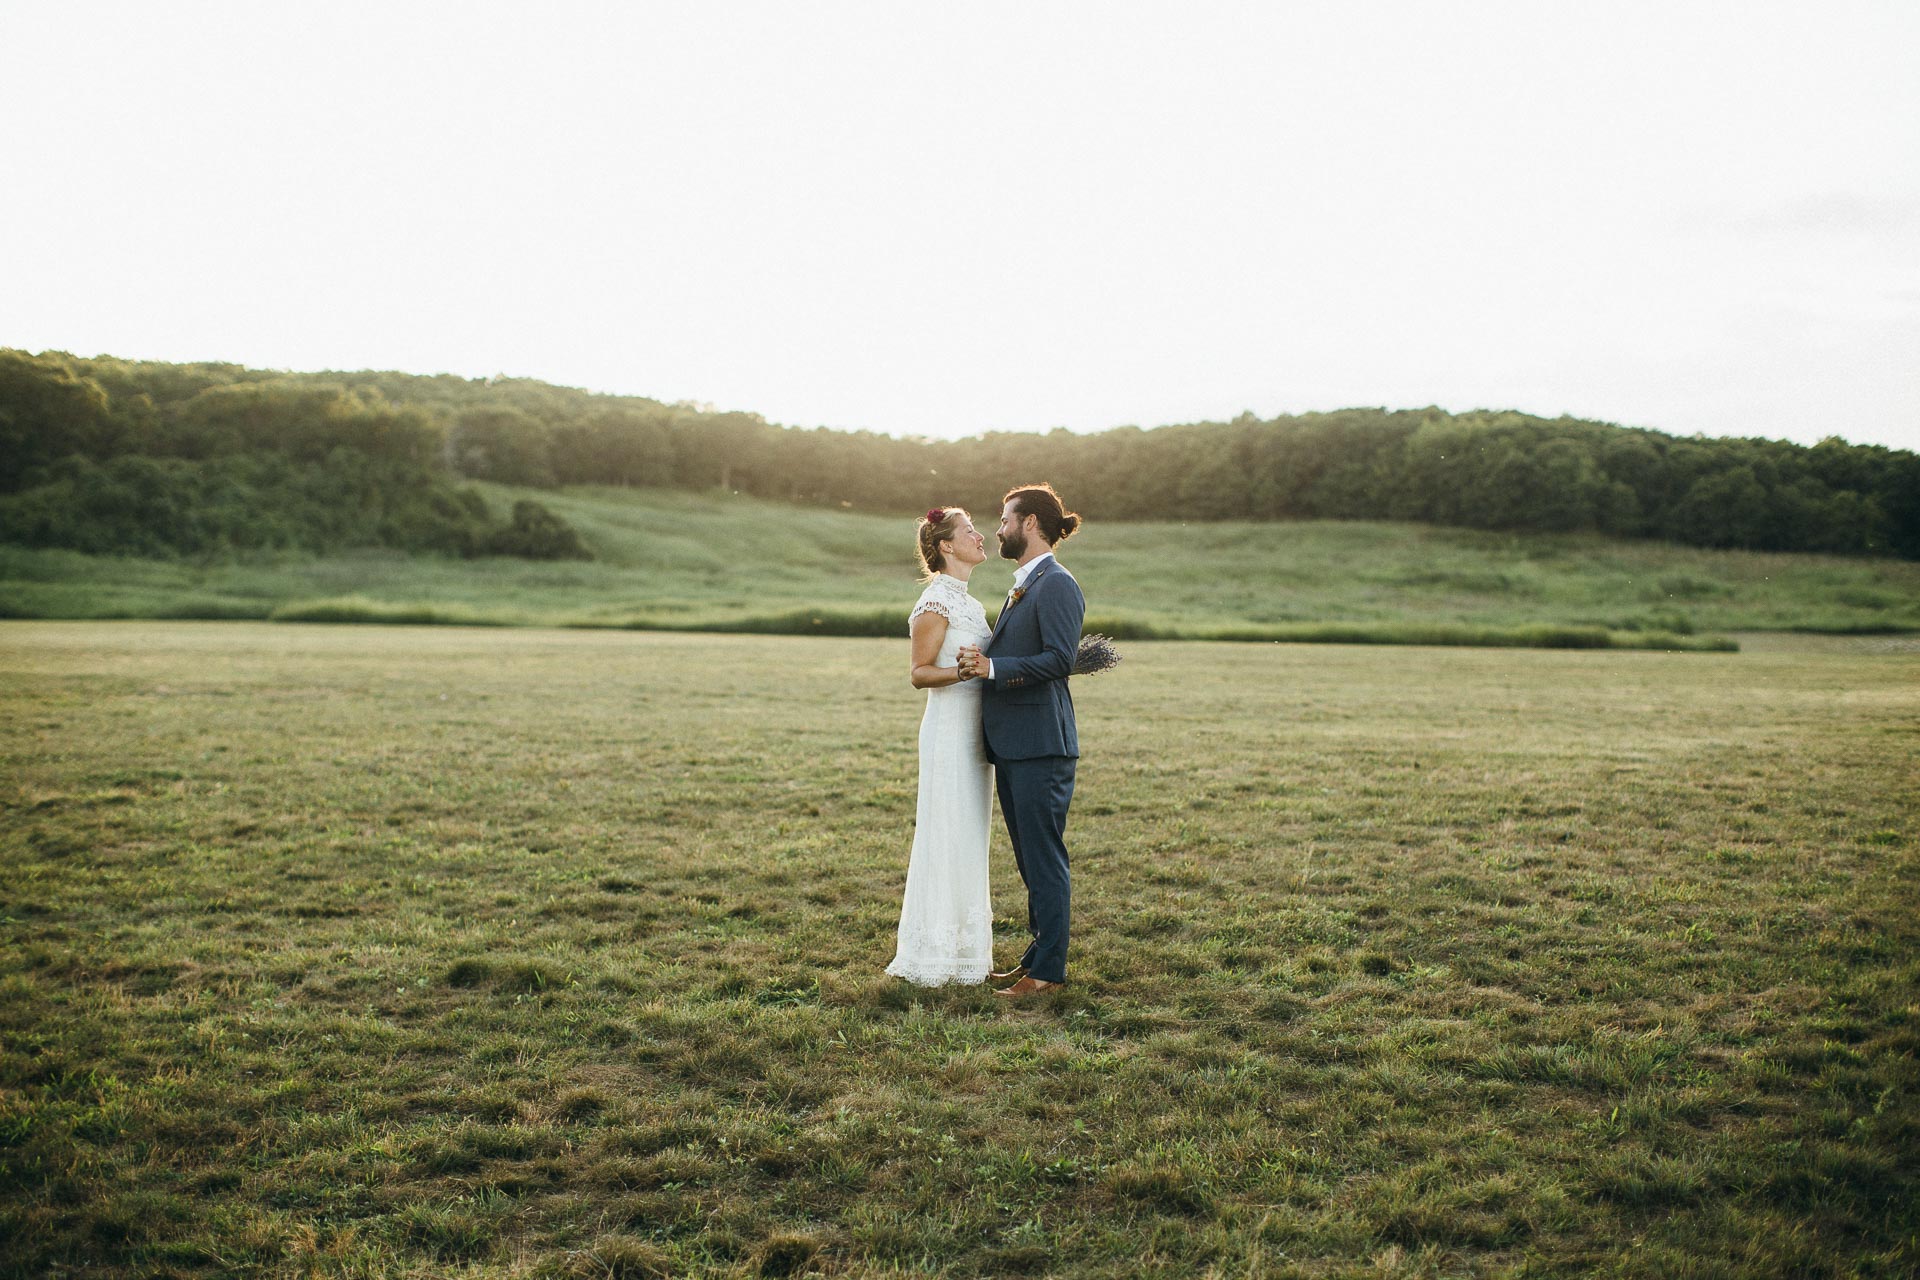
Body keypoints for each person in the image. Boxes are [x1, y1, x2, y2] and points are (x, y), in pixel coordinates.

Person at [956, 483, 1085, 1000]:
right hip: (1016, 745)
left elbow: (1059, 659)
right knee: (1031, 860)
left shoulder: (1056, 584)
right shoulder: (1026, 583)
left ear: (1030, 523)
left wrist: (993, 667)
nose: (998, 529)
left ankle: (1048, 973)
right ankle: (1035, 958)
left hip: (1041, 746)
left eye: (1005, 519)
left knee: (1044, 859)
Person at [885, 507, 996, 986]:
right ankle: (933, 954)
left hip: (975, 736)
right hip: (949, 732)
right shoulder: (936, 601)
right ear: (947, 546)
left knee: (968, 835)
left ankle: (966, 951)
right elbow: (919, 673)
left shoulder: (969, 602)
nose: (980, 534)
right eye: (969, 529)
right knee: (945, 834)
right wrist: (964, 672)